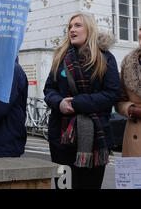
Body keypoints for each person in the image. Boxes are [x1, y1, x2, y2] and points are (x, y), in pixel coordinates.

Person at [44, 13, 120, 189]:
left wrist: (78, 103)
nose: (72, 30)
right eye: (70, 26)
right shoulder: (61, 57)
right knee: (64, 186)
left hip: (95, 138)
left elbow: (112, 94)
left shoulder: (105, 58)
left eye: (77, 25)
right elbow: (49, 89)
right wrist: (59, 103)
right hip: (61, 137)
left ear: (89, 28)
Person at [116, 24, 141, 157]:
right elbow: (119, 99)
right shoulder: (128, 62)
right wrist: (130, 109)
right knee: (135, 178)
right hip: (135, 134)